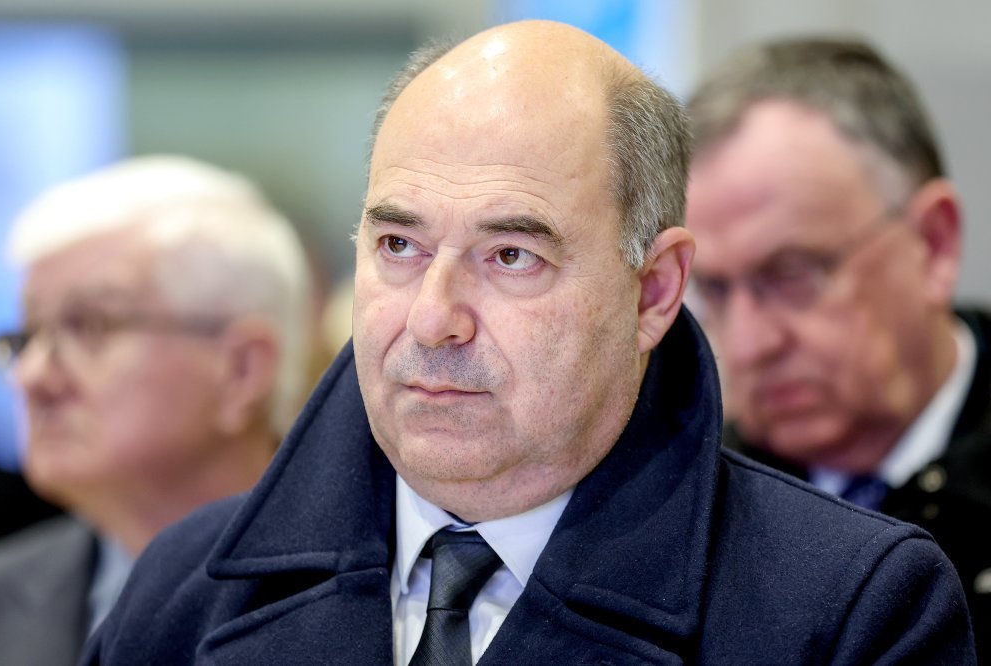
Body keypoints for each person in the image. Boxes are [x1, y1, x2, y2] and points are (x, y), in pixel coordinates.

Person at [85, 21, 976, 665]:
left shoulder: (848, 610)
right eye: (398, 246)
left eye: (511, 256)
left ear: (653, 291)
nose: (432, 318)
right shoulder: (183, 590)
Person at [684, 36, 991, 660]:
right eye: (715, 289)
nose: (749, 343)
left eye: (793, 273)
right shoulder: (684, 502)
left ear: (933, 244)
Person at [0, 155, 312, 666]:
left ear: (241, 371)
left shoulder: (377, 595)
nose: (31, 376)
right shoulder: (1, 596)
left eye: (91, 326)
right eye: (27, 336)